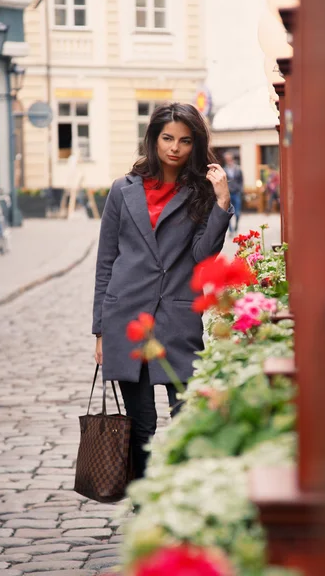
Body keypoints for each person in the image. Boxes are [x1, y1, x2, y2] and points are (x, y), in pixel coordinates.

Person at [92, 103, 233, 479]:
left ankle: (183, 494)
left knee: (185, 415)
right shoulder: (123, 190)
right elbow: (106, 261)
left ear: (195, 144)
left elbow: (204, 255)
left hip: (176, 315)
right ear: (153, 139)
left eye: (185, 141)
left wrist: (221, 202)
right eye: (167, 138)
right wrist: (100, 330)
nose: (174, 148)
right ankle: (142, 503)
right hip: (127, 317)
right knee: (140, 426)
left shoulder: (199, 191)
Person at [223, 152, 243, 234]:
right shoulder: (224, 170)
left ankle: (236, 226)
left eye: (229, 159)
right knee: (228, 213)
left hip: (236, 193)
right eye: (227, 159)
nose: (228, 160)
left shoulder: (238, 169)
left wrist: (240, 190)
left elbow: (241, 180)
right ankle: (230, 229)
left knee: (237, 213)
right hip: (228, 193)